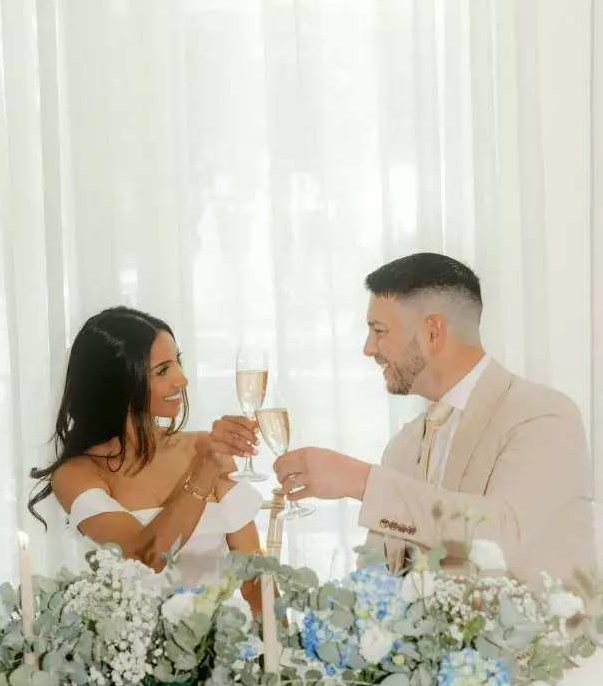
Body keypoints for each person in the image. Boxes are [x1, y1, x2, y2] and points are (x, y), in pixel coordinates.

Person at [274, 253, 597, 600]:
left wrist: (360, 480)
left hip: (538, 653)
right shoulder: (403, 444)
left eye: (379, 331)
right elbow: (377, 577)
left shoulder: (543, 415)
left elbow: (501, 534)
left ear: (432, 331)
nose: (369, 349)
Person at [29, 306, 263, 611]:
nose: (182, 380)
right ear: (119, 384)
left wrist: (280, 649)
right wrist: (206, 469)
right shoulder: (78, 475)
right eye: (163, 370)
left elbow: (256, 579)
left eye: (177, 362)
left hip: (227, 646)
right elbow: (145, 557)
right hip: (137, 650)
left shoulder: (205, 447)